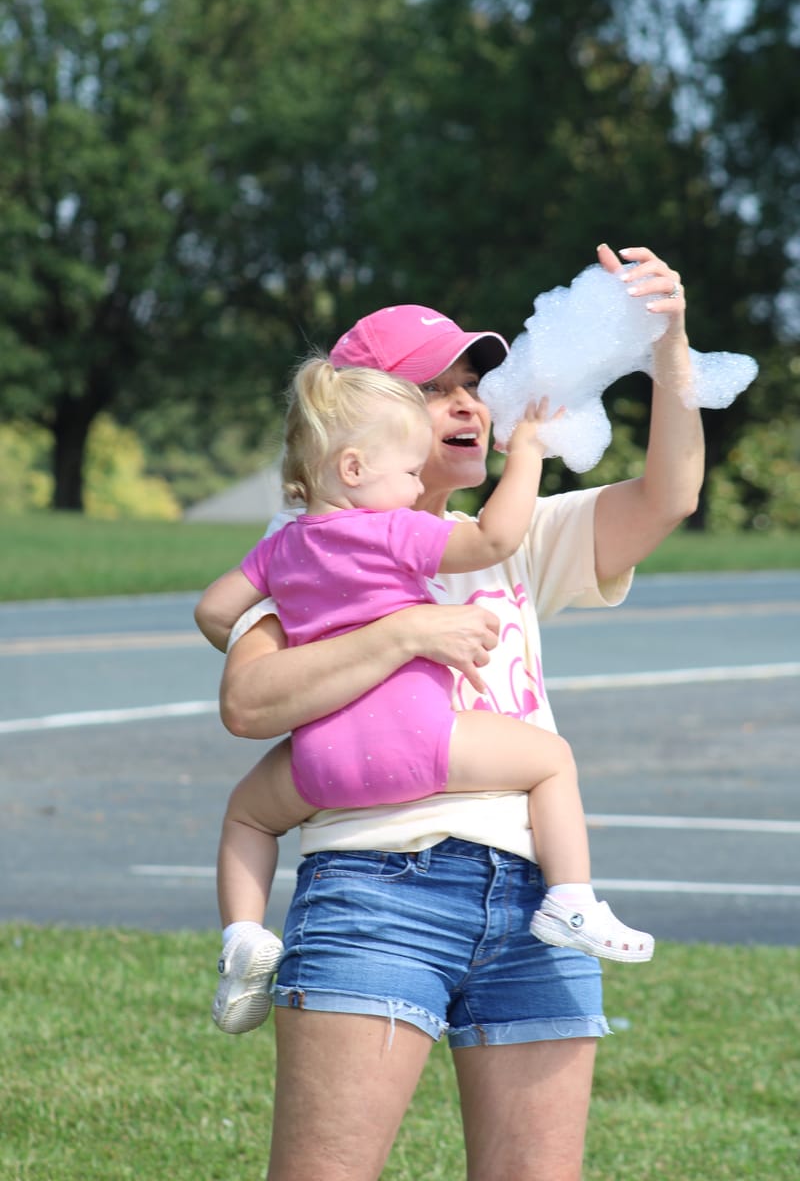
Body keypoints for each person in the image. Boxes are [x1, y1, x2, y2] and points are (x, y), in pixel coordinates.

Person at [212, 243, 704, 1181]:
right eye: (438, 390)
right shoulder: (314, 557)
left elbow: (671, 494)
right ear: (367, 428)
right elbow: (248, 700)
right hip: (374, 890)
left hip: (536, 898)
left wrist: (671, 346)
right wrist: (405, 634)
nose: (473, 402)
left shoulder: (512, 533)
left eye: (476, 381)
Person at [195, 356, 654, 1031]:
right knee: (550, 758)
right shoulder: (394, 530)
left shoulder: (281, 548)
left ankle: (242, 936)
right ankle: (571, 899)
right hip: (417, 740)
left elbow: (213, 611)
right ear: (354, 470)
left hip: (322, 763)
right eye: (409, 472)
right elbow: (497, 536)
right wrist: (526, 451)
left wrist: (271, 624)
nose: (416, 487)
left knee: (247, 816)